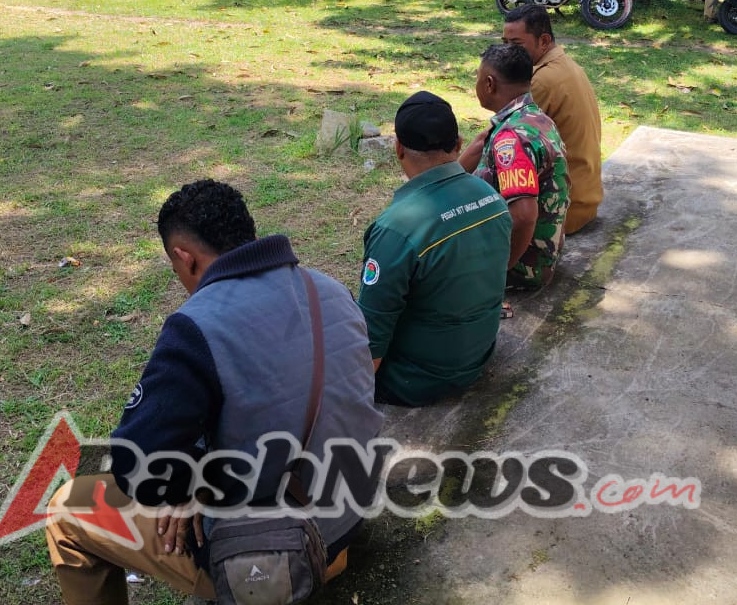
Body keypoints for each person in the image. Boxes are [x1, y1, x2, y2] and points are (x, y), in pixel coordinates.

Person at [45, 180, 382, 605]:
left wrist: (190, 486)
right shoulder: (331, 290)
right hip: (347, 518)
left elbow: (138, 470)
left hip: (280, 558)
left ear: (184, 258)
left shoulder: (196, 327)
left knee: (68, 509)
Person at [358, 92, 512, 406]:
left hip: (413, 381)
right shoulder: (491, 198)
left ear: (398, 148)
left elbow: (369, 349)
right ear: (457, 144)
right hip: (476, 357)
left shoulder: (396, 231)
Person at [459, 43, 568, 293]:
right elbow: (480, 144)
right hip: (543, 250)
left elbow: (523, 215)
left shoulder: (512, 139)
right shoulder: (532, 117)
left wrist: (498, 272)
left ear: (489, 84)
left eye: (477, 77)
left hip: (526, 266)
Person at [502, 5, 601, 234]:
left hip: (565, 210)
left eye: (515, 45)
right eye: (504, 43)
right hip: (586, 199)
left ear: (544, 41)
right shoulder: (566, 65)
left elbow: (502, 140)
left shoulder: (541, 81)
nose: (507, 52)